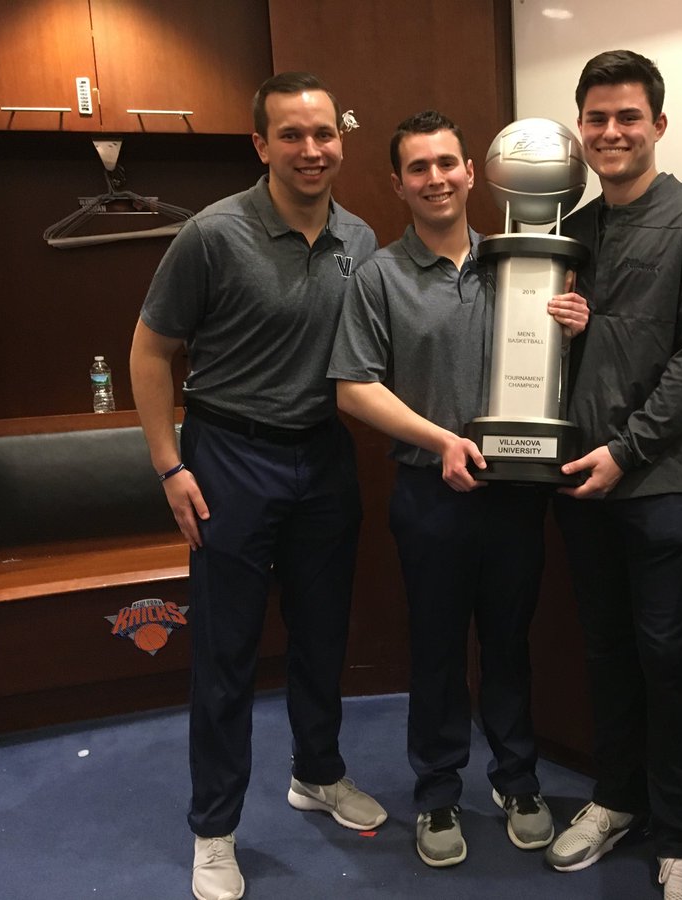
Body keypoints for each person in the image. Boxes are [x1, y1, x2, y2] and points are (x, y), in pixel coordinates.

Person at [129, 71, 387, 900]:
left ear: (340, 139)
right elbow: (149, 353)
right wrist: (170, 466)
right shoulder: (212, 235)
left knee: (321, 636)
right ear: (261, 144)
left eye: (324, 134)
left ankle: (317, 772)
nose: (311, 150)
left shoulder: (361, 236)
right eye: (292, 136)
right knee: (228, 656)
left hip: (323, 457)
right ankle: (216, 828)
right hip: (228, 459)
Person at [329, 110, 588, 869]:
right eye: (419, 168)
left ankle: (517, 779)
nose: (436, 178)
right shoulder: (379, 275)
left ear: (474, 172)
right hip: (430, 494)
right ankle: (437, 791)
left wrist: (577, 328)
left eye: (448, 163)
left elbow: (560, 380)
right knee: (438, 649)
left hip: (517, 493)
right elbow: (353, 387)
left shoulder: (523, 261)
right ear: (399, 184)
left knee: (510, 642)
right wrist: (439, 440)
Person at [542, 50, 682, 900]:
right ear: (581, 130)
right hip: (579, 484)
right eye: (597, 119)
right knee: (606, 651)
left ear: (658, 125)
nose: (612, 132)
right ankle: (615, 798)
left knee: (669, 660)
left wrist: (628, 450)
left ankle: (680, 833)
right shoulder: (570, 235)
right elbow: (559, 359)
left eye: (628, 117)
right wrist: (565, 329)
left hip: (668, 486)